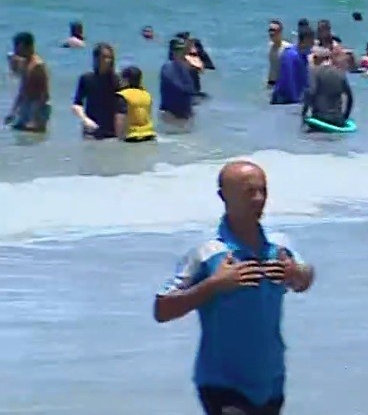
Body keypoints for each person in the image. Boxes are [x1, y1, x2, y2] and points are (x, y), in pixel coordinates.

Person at [153, 161, 314, 415]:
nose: (259, 199)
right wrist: (214, 285)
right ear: (224, 196)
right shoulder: (206, 251)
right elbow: (162, 309)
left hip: (271, 381)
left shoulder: (279, 245)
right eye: (249, 192)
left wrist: (296, 273)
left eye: (263, 191)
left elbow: (304, 281)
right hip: (222, 383)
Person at [72, 42, 122, 139]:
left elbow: (123, 106)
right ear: (96, 58)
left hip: (112, 131)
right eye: (104, 57)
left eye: (110, 58)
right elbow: (77, 104)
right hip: (91, 129)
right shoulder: (86, 79)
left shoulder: (117, 80)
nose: (108, 61)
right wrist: (85, 119)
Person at [5, 32, 51, 132]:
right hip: (27, 105)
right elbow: (23, 90)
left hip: (38, 106)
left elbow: (44, 93)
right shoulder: (25, 63)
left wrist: (35, 116)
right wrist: (13, 112)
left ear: (22, 46)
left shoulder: (37, 65)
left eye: (16, 46)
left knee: (34, 138)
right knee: (19, 133)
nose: (15, 50)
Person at [300, 50, 353, 129]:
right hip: (337, 120)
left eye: (315, 59)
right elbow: (350, 97)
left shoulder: (315, 72)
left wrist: (304, 113)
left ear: (320, 59)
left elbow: (311, 93)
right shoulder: (341, 73)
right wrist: (345, 116)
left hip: (320, 118)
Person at [160, 37, 199, 122]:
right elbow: (175, 85)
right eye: (178, 50)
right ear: (172, 51)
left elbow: (191, 86)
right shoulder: (167, 67)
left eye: (182, 50)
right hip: (171, 111)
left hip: (185, 110)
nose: (181, 52)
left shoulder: (184, 66)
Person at [270, 28, 312, 105]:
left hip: (282, 97)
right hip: (286, 99)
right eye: (311, 41)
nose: (312, 43)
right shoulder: (293, 55)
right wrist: (298, 100)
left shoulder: (294, 52)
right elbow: (290, 79)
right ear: (306, 40)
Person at [115, 65, 156, 143]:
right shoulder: (147, 95)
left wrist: (119, 139)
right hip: (149, 135)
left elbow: (120, 119)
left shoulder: (123, 95)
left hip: (132, 137)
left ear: (126, 80)